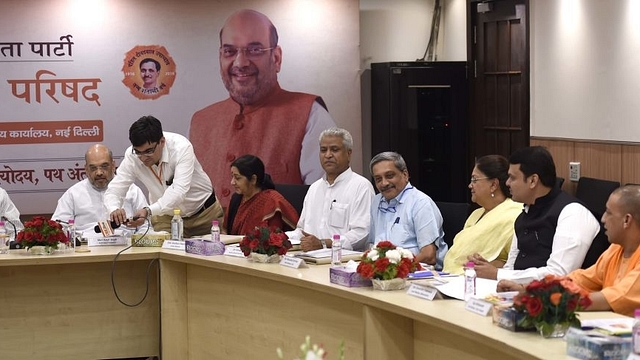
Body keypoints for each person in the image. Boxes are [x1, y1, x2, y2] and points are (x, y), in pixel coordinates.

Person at [189, 9, 336, 207]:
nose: (240, 63)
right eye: (229, 51)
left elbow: (326, 202)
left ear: (276, 58)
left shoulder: (311, 114)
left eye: (254, 50)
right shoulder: (201, 121)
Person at [498, 185, 640, 316]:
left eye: (609, 213)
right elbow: (578, 280)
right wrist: (528, 290)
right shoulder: (616, 249)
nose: (603, 219)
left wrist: (542, 300)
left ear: (626, 220)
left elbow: (606, 300)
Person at [469, 146, 600, 281]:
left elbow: (559, 274)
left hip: (565, 298)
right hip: (520, 295)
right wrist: (489, 271)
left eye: (512, 178)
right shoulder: (523, 215)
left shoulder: (572, 213)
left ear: (533, 181)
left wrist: (497, 274)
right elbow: (511, 268)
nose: (507, 183)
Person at [105, 115, 223, 237]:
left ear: (162, 141)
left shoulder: (181, 147)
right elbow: (115, 189)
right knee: (163, 253)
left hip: (203, 214)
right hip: (165, 217)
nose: (143, 157)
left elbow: (179, 191)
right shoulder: (132, 156)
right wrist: (114, 209)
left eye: (149, 151)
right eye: (138, 152)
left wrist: (148, 210)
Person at [286, 128, 374, 252]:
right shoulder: (314, 188)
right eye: (323, 150)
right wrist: (278, 238)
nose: (328, 155)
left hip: (343, 262)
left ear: (349, 153)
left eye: (334, 149)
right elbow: (302, 231)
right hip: (310, 259)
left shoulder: (361, 186)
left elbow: (362, 233)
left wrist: (324, 244)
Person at [442, 155, 522, 275]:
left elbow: (515, 262)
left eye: (475, 180)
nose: (470, 185)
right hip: (449, 277)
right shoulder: (476, 213)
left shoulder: (514, 214)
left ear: (494, 185)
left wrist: (492, 267)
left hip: (482, 282)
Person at [368, 151, 448, 270]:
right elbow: (372, 246)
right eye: (378, 179)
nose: (384, 183)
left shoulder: (420, 203)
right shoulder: (376, 201)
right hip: (384, 274)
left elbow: (428, 256)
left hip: (418, 274)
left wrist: (395, 269)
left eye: (389, 176)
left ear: (405, 174)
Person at [52, 144, 150, 235]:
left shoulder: (132, 191)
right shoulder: (73, 194)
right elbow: (58, 228)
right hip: (85, 249)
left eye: (104, 166)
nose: (99, 172)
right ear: (86, 169)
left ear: (113, 165)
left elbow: (146, 226)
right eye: (93, 168)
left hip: (125, 248)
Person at [225, 154, 299, 235]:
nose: (232, 182)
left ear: (253, 179)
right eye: (232, 177)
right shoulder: (236, 198)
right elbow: (225, 229)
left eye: (237, 178)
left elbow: (272, 238)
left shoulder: (272, 201)